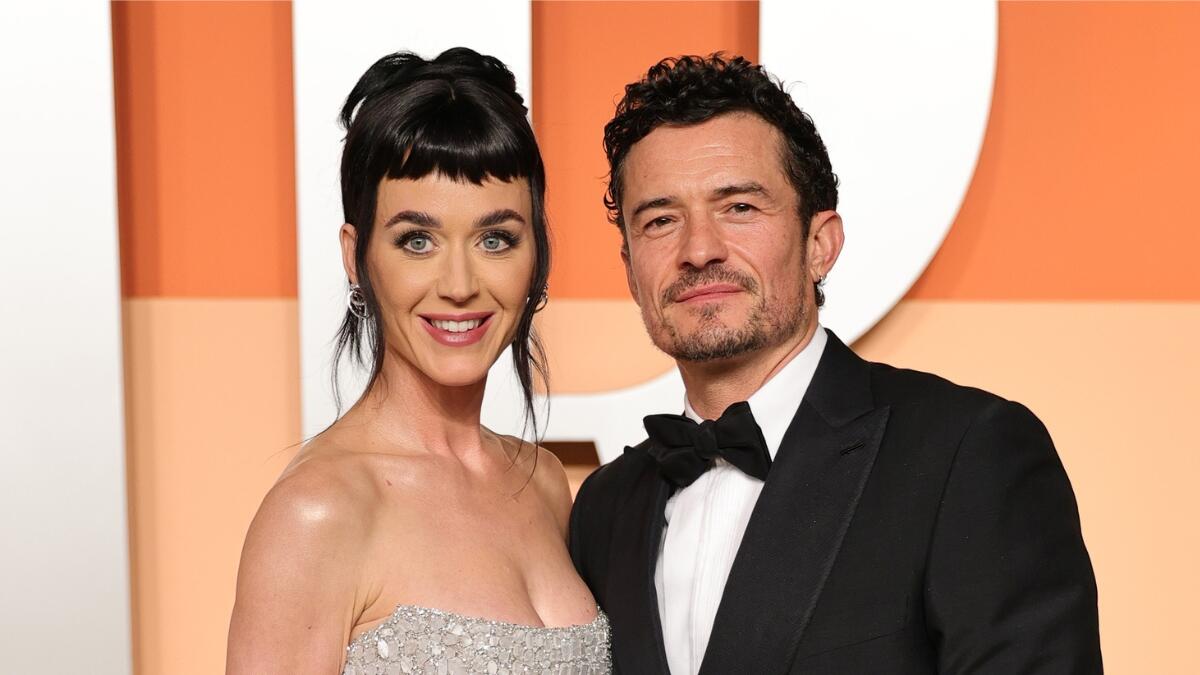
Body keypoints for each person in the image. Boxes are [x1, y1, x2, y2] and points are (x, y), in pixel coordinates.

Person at [569, 54, 1102, 674]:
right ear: (631, 270)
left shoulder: (967, 453)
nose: (699, 249)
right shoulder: (604, 507)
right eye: (661, 220)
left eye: (739, 207)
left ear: (820, 244)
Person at [227, 48, 610, 674]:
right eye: (417, 240)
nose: (459, 284)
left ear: (537, 253)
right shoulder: (318, 512)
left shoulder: (543, 483)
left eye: (495, 239)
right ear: (356, 257)